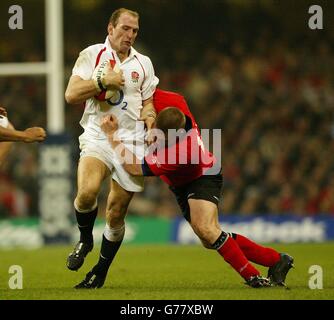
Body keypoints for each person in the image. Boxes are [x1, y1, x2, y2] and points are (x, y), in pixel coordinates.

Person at [86, 88, 294, 289]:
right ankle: (276, 260)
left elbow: (133, 167)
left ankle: (253, 277)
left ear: (172, 135)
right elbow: (148, 90)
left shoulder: (181, 151)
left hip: (202, 175)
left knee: (206, 229)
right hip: (181, 182)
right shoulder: (174, 102)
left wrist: (112, 136)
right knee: (209, 239)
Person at [64, 8, 159, 287]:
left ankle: (100, 272)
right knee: (86, 193)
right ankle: (84, 240)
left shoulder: (144, 64)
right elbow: (70, 94)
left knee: (116, 212)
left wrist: (151, 122)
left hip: (132, 143)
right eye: (125, 29)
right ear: (111, 28)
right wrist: (101, 81)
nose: (130, 35)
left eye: (134, 31)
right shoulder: (92, 55)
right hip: (98, 136)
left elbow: (148, 102)